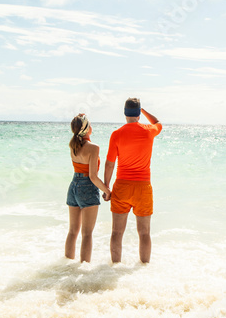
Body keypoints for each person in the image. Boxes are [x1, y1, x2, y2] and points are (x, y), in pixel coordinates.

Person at [104, 98, 162, 264]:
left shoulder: (116, 134)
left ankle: (114, 268)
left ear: (124, 113)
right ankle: (144, 269)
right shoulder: (149, 130)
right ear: (138, 113)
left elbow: (109, 164)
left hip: (122, 186)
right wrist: (142, 111)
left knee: (116, 232)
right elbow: (158, 122)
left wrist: (106, 188)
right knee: (144, 233)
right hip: (143, 187)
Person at [65, 114, 111, 263]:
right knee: (87, 233)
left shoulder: (72, 145)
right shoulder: (93, 147)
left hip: (73, 186)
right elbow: (92, 176)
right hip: (87, 188)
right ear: (86, 129)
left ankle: (67, 265)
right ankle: (84, 271)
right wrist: (107, 190)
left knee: (73, 231)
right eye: (90, 124)